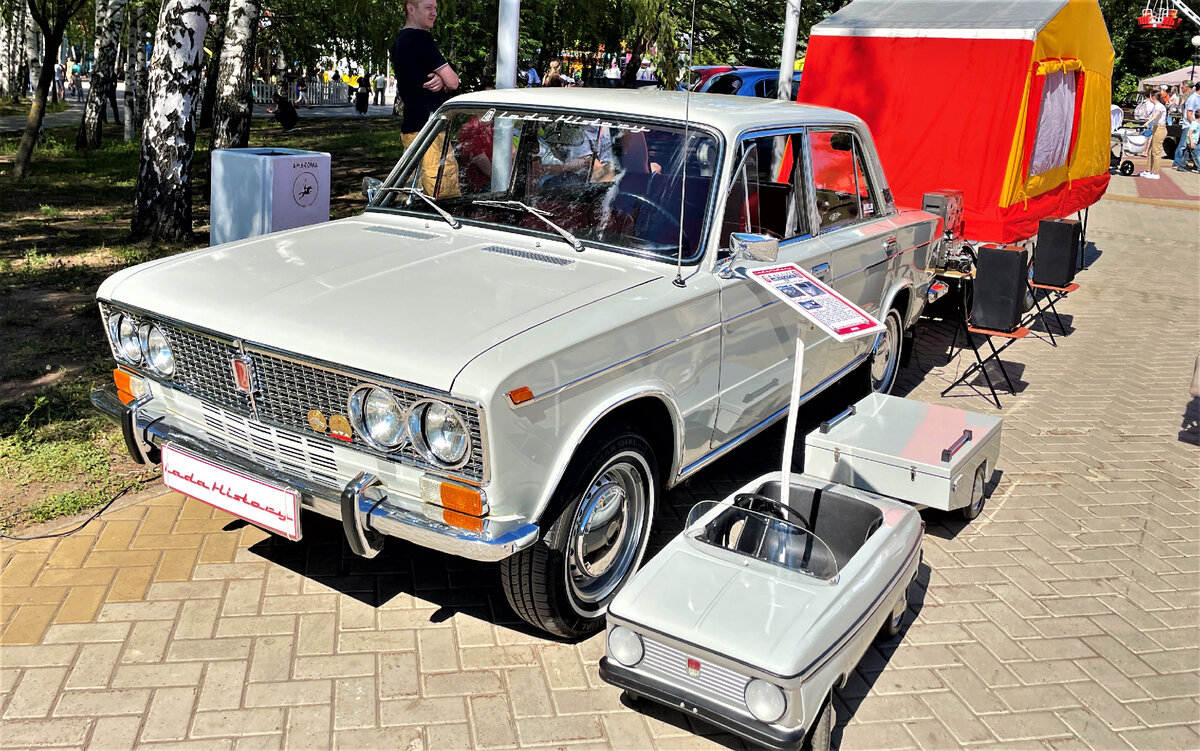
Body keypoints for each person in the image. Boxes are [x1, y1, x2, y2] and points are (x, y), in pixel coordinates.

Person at [390, 0, 460, 196]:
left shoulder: (400, 41)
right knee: (442, 198)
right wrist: (445, 78)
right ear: (410, 8)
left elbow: (420, 76)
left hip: (412, 129)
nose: (434, 13)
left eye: (435, 8)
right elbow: (454, 82)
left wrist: (440, 77)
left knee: (416, 195)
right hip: (430, 132)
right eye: (428, 8)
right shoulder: (420, 38)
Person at [1139, 91, 1168, 179]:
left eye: (1150, 96)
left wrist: (1148, 122)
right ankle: (1148, 171)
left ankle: (1156, 173)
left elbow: (1157, 114)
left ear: (1153, 97)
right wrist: (1147, 119)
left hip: (1160, 129)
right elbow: (1156, 116)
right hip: (1156, 128)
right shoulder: (1157, 105)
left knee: (1156, 152)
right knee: (1151, 151)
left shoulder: (1159, 106)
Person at [1174, 81, 1200, 172]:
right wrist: (1195, 123)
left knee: (1192, 146)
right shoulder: (1193, 98)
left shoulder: (1197, 97)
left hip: (1195, 125)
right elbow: (1189, 114)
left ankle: (1185, 164)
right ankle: (1177, 163)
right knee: (1183, 145)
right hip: (1189, 125)